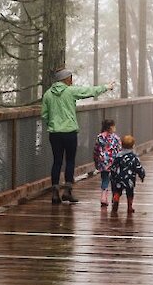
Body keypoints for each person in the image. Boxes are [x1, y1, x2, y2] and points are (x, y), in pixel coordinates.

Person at [41, 67, 115, 204]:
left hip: (55, 133)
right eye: (70, 78)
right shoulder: (70, 91)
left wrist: (51, 125)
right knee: (70, 161)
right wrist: (106, 87)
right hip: (69, 132)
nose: (72, 80)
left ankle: (55, 193)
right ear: (66, 79)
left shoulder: (47, 95)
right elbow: (89, 91)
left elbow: (44, 115)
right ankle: (67, 191)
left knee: (57, 161)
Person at [110, 134, 146, 214]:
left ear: (122, 145)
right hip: (129, 179)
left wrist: (112, 176)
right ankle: (129, 207)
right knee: (130, 193)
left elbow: (113, 167)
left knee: (118, 191)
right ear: (133, 146)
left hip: (118, 178)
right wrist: (142, 175)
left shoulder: (118, 156)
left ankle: (116, 199)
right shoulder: (134, 157)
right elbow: (138, 167)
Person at [93, 119, 122, 207]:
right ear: (110, 127)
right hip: (113, 162)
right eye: (114, 126)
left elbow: (96, 150)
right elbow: (119, 150)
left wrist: (96, 160)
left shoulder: (100, 137)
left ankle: (103, 198)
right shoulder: (116, 138)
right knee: (115, 181)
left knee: (105, 179)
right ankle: (115, 198)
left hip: (103, 161)